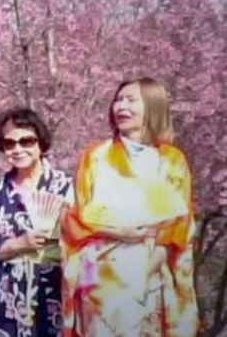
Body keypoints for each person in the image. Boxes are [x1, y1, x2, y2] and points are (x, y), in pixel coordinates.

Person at [61, 78, 198, 336]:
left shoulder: (171, 161)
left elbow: (176, 231)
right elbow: (76, 217)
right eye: (118, 99)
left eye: (130, 100)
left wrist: (141, 276)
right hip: (101, 276)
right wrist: (120, 232)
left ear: (152, 106)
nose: (120, 106)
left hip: (150, 274)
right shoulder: (96, 156)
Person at [0, 108, 73, 336]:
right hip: (4, 300)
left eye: (26, 141)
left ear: (40, 144)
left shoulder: (67, 189)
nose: (18, 149)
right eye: (10, 143)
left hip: (55, 293)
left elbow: (88, 239)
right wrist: (18, 244)